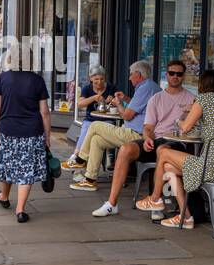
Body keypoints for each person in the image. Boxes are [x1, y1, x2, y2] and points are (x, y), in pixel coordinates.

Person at [76, 60, 193, 218]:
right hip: (155, 139)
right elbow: (148, 127)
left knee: (162, 151)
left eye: (179, 74)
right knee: (126, 149)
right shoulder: (156, 98)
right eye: (172, 73)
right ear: (167, 75)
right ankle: (111, 204)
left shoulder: (192, 99)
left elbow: (193, 128)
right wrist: (147, 138)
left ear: (183, 76)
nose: (175, 77)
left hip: (178, 143)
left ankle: (157, 204)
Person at [145, 69, 214, 229]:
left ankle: (155, 199)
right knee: (168, 168)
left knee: (163, 152)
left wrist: (178, 120)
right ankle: (186, 217)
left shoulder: (202, 100)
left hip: (208, 167)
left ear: (201, 85)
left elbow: (185, 127)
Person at [67, 60, 160, 199]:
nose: (129, 78)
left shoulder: (144, 88)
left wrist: (118, 104)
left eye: (131, 74)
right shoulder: (150, 86)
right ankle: (90, 180)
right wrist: (126, 99)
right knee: (97, 140)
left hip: (136, 135)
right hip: (136, 132)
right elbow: (138, 107)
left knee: (94, 125)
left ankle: (80, 159)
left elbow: (127, 115)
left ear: (139, 75)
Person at [0, 63, 51, 224]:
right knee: (27, 169)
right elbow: (44, 112)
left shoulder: (3, 78)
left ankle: (4, 196)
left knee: (7, 164)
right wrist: (47, 136)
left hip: (8, 130)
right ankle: (20, 210)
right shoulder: (38, 80)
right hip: (32, 131)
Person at [62, 66, 118, 170]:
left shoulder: (111, 88)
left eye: (102, 79)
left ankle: (108, 158)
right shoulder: (87, 88)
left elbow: (119, 104)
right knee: (86, 129)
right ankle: (76, 155)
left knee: (100, 135)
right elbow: (80, 104)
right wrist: (93, 98)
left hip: (107, 120)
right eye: (96, 79)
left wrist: (114, 101)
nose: (99, 82)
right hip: (91, 119)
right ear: (90, 78)